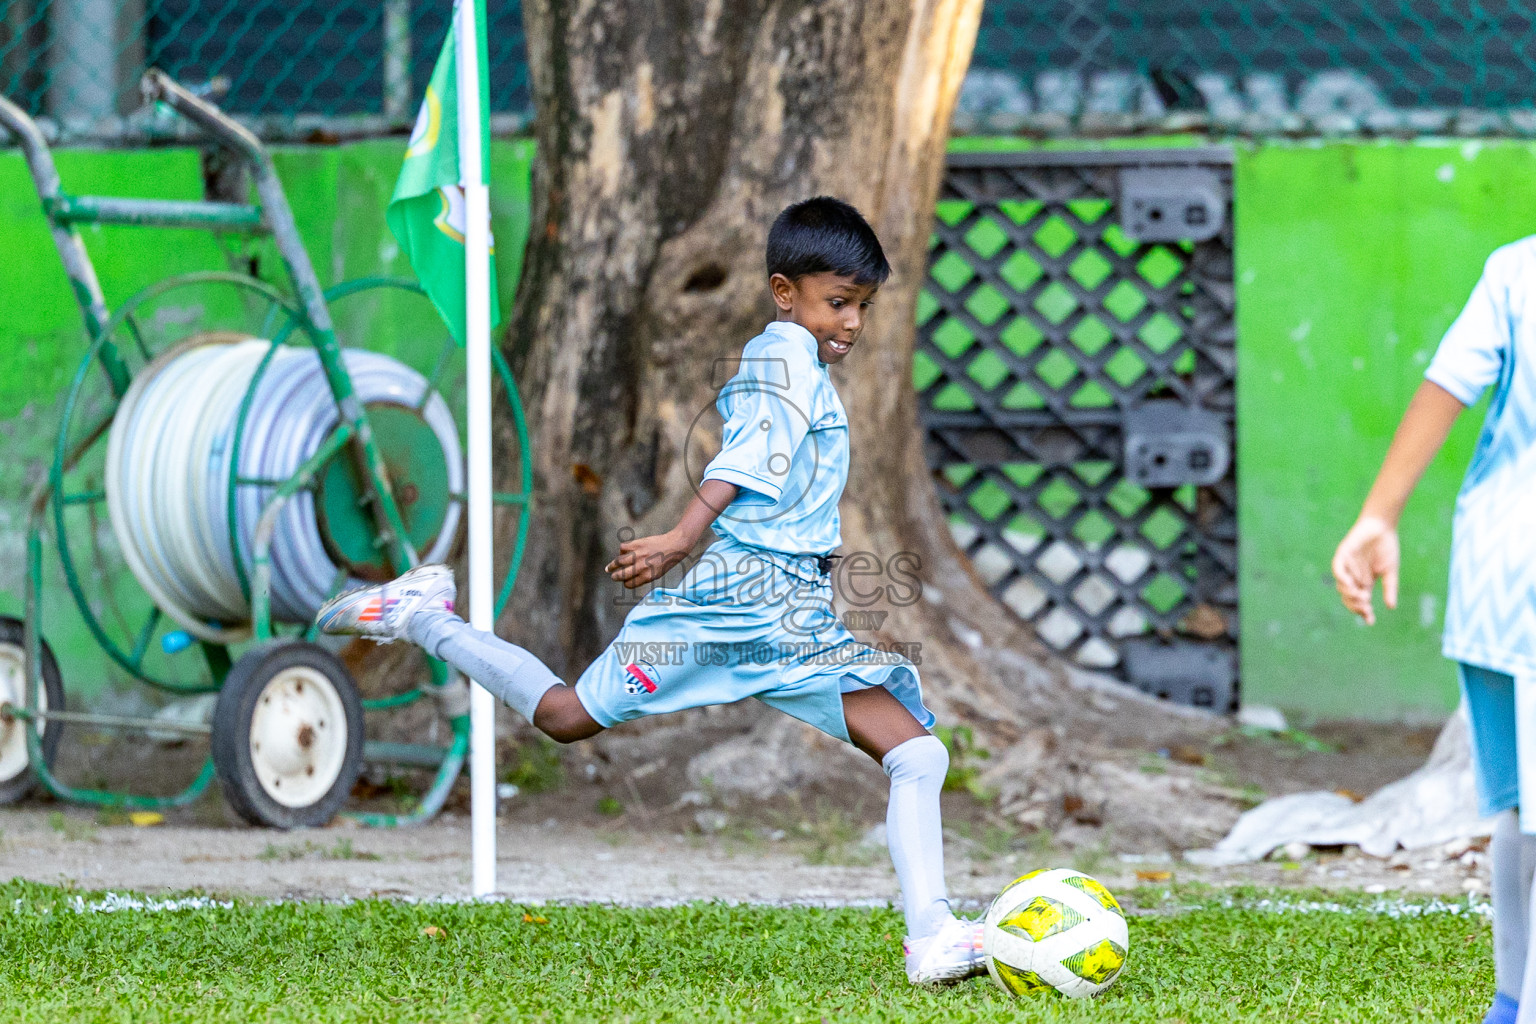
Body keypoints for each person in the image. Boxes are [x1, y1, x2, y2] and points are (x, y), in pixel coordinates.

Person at [317, 196, 986, 985]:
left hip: (776, 608)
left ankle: (424, 617)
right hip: (747, 599)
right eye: (837, 302)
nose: (852, 323)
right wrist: (676, 537)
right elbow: (740, 463)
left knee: (575, 716)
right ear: (784, 291)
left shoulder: (794, 364)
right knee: (915, 754)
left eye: (863, 307)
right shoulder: (782, 362)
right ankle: (422, 618)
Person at [1332, 238, 1536, 1024]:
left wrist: (1378, 514)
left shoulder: (1516, 267)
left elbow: (1446, 384)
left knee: (1518, 810)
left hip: (1498, 573)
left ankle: (1510, 1000)